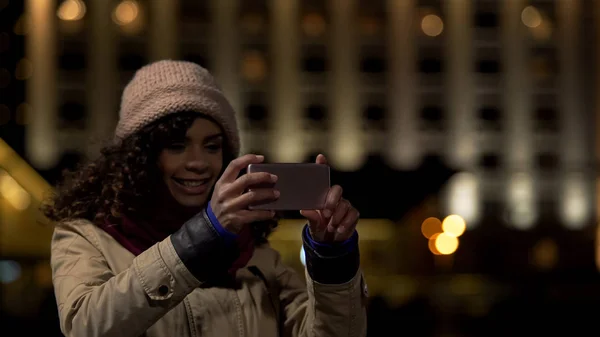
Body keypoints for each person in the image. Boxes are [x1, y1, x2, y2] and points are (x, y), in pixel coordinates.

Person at [43, 60, 367, 337]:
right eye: (177, 145)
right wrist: (204, 236)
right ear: (139, 157)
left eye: (212, 146)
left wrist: (331, 258)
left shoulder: (255, 254)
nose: (198, 162)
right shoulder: (86, 236)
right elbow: (86, 326)